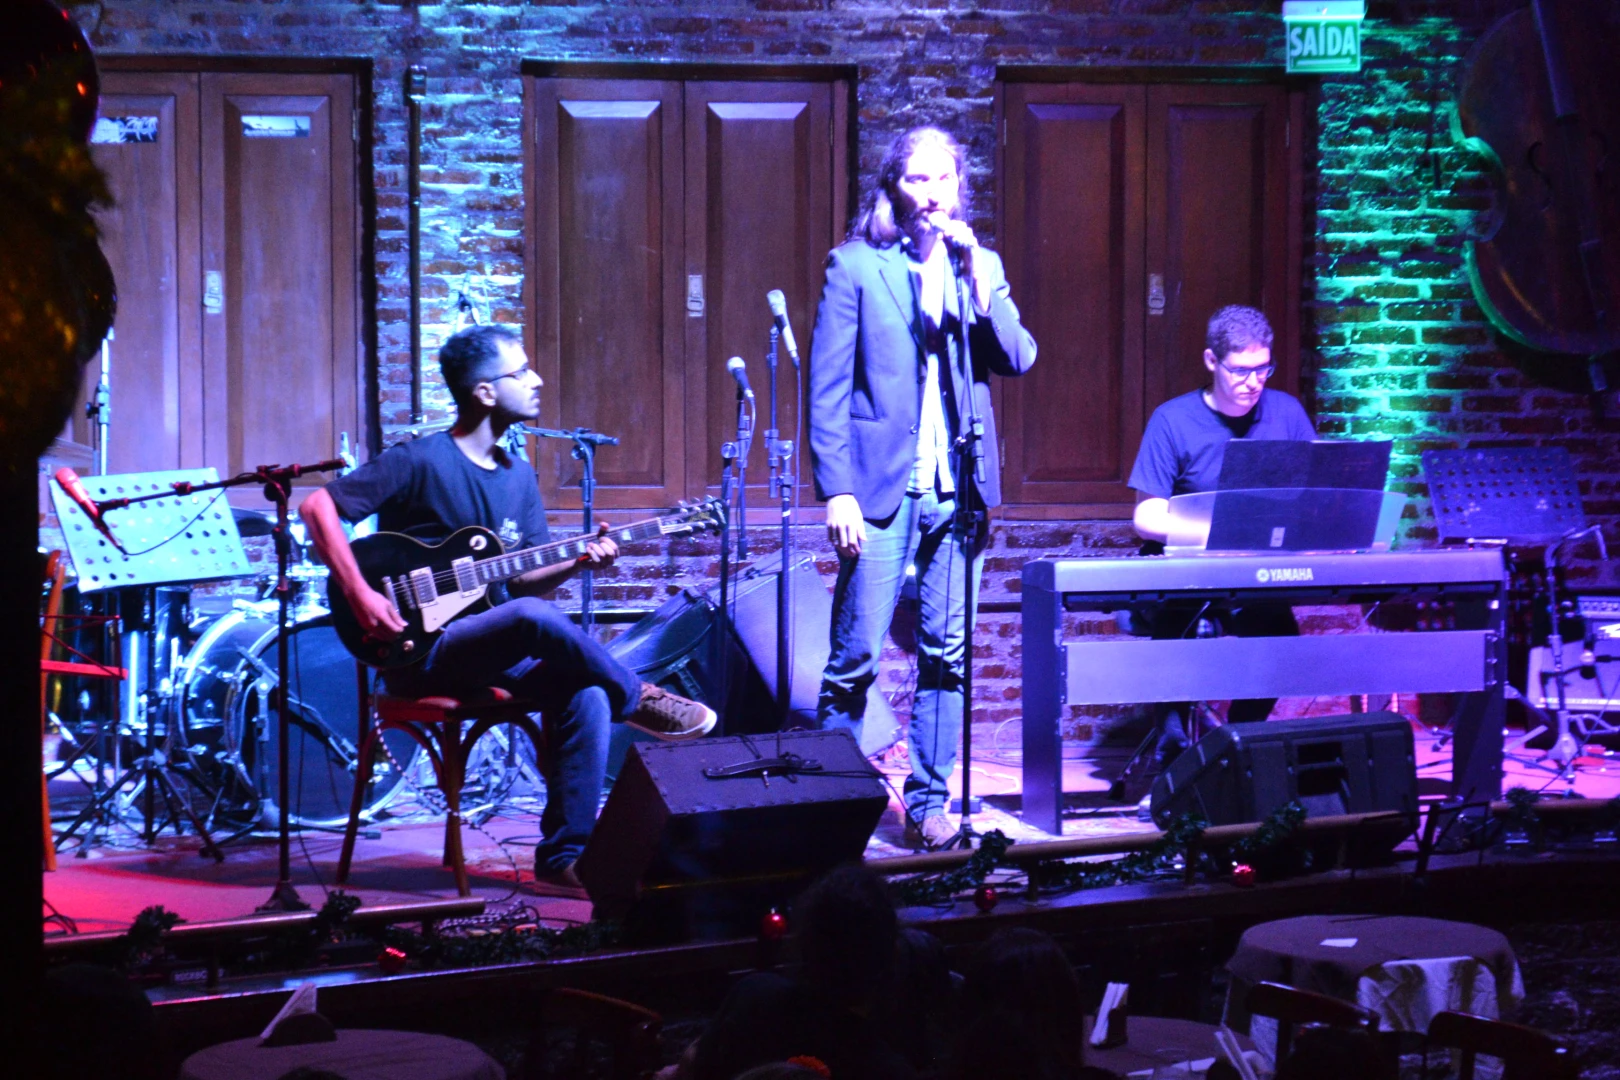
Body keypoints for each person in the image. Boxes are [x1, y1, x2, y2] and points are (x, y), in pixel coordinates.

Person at [301, 324, 716, 894]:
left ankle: (564, 858)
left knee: (586, 693)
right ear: (485, 392)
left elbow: (521, 583)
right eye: (522, 371)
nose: (537, 379)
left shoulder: (519, 476)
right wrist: (361, 593)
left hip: (492, 649)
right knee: (534, 624)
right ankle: (638, 696)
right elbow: (317, 507)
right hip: (422, 653)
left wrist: (578, 562)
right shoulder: (419, 459)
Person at [808, 125, 1037, 851]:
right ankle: (830, 811)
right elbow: (828, 386)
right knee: (855, 657)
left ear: (959, 187)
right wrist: (836, 490)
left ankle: (929, 804)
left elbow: (1018, 357)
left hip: (959, 486)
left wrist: (977, 284)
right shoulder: (855, 266)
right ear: (893, 187)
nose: (933, 193)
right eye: (918, 179)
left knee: (948, 655)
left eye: (944, 179)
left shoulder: (980, 265)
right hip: (881, 489)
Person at [1127, 304, 1316, 767]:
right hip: (1188, 572)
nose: (1254, 382)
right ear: (1212, 361)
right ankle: (1173, 751)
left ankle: (1236, 743)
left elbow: (1315, 495)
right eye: (1241, 371)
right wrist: (1220, 530)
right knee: (1176, 631)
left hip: (1259, 572)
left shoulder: (1286, 413)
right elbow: (1147, 517)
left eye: (1263, 369)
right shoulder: (1173, 420)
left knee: (1281, 643)